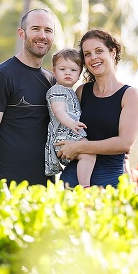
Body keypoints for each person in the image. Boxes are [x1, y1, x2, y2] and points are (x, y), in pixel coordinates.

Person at [0, 8, 56, 194]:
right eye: (36, 28)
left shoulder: (53, 82)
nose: (42, 35)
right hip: (7, 188)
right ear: (22, 33)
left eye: (48, 30)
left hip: (46, 191)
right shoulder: (1, 76)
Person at [55, 28, 138, 188]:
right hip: (73, 179)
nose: (93, 57)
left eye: (99, 51)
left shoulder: (130, 95)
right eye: (87, 54)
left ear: (112, 52)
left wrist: (78, 147)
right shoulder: (81, 92)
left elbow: (124, 143)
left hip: (110, 180)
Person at [44, 48, 96, 187]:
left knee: (88, 154)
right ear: (54, 71)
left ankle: (80, 183)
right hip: (64, 135)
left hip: (70, 134)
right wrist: (72, 123)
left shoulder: (71, 91)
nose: (68, 73)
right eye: (62, 69)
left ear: (79, 74)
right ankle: (85, 186)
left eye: (73, 70)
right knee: (88, 154)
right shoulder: (57, 90)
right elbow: (59, 111)